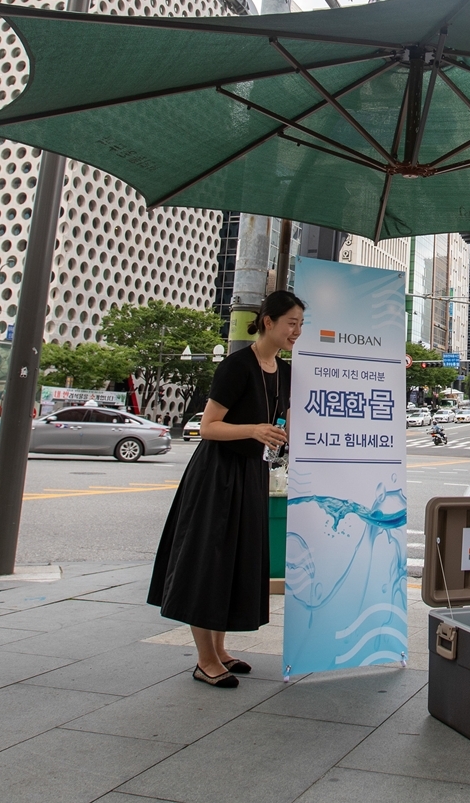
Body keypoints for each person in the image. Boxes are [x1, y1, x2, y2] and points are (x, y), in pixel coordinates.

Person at [148, 290, 304, 688]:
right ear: (268, 321)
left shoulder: (284, 372)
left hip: (251, 473)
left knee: (233, 560)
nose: (297, 331)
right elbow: (208, 427)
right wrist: (254, 430)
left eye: (301, 324)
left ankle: (219, 651)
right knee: (209, 561)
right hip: (217, 475)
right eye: (291, 323)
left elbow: (287, 420)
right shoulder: (237, 366)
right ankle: (204, 660)